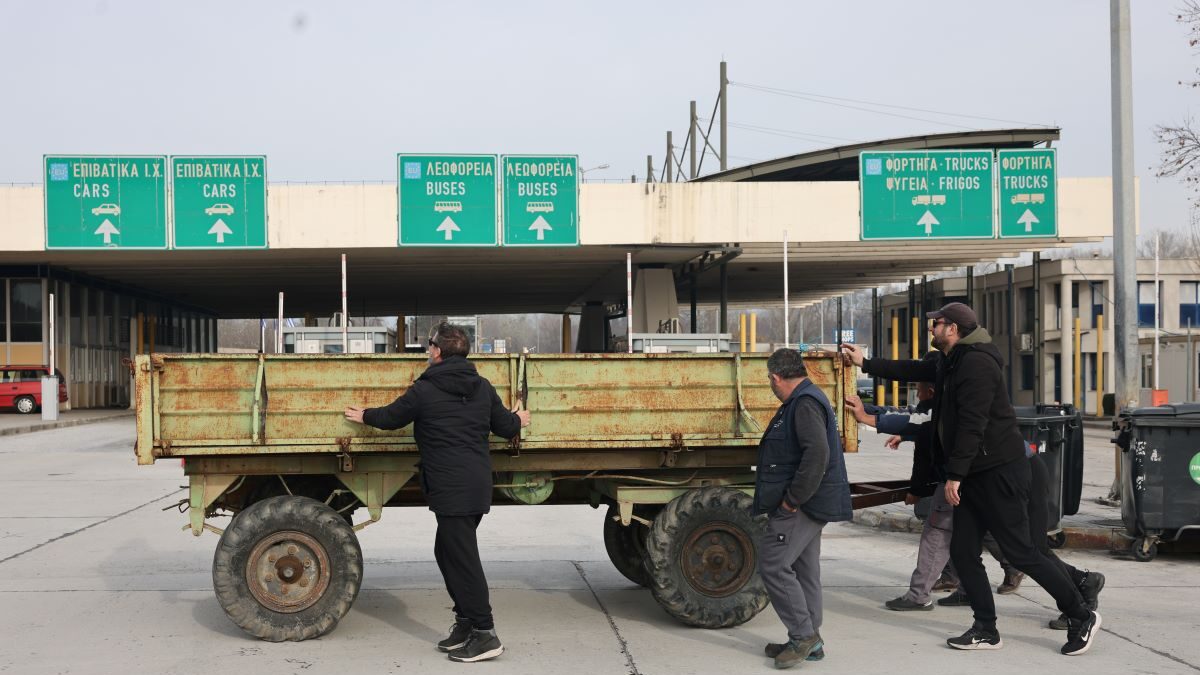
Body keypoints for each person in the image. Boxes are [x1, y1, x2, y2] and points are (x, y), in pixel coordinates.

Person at [841, 302, 1102, 656]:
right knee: (963, 553)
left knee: (1023, 552)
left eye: (937, 324)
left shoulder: (977, 363)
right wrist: (866, 363)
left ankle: (1080, 614)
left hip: (1000, 472)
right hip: (975, 474)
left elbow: (972, 424)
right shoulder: (948, 360)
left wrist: (954, 475)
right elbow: (911, 368)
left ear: (954, 329)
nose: (931, 329)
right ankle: (985, 628)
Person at [344, 322, 530, 663]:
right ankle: (465, 624)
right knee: (447, 553)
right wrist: (520, 419)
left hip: (451, 487)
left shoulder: (425, 390)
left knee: (463, 560)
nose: (428, 349)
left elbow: (391, 417)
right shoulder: (482, 387)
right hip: (474, 485)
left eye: (430, 344)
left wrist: (364, 415)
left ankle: (485, 634)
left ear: (438, 351)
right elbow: (505, 427)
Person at [754, 348, 853, 669]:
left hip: (804, 504)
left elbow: (817, 456)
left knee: (773, 564)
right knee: (805, 570)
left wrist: (790, 500)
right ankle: (811, 638)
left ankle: (803, 636)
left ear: (775, 377)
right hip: (813, 502)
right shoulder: (805, 399)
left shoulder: (804, 404)